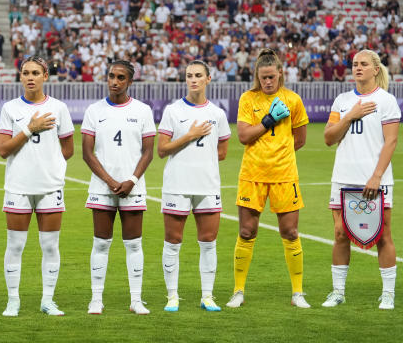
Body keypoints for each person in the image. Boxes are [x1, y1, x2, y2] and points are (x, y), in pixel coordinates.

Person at [230, 49, 309, 308]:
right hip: (252, 175)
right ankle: (238, 290)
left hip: (284, 176)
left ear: (280, 74)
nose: (267, 82)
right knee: (246, 231)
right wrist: (268, 121)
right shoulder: (247, 99)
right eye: (263, 77)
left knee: (290, 232)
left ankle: (298, 292)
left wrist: (279, 154)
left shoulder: (293, 100)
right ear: (257, 76)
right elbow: (243, 136)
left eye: (271, 77)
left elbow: (300, 139)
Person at [322, 50, 399, 309]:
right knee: (340, 233)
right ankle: (338, 292)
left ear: (376, 69)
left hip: (375, 179)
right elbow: (329, 138)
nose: (358, 68)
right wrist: (350, 115)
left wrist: (376, 176)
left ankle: (388, 293)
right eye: (355, 64)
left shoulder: (386, 101)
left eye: (363, 64)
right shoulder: (342, 100)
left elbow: (391, 141)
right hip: (343, 177)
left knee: (383, 235)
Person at [0, 56, 74, 316]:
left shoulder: (59, 108)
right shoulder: (10, 108)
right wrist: (30, 129)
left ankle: (48, 300)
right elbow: (3, 150)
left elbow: (68, 149)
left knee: (50, 246)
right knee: (15, 246)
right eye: (25, 72)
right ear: (20, 77)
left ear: (46, 76)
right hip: (18, 186)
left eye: (35, 73)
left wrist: (49, 167)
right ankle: (13, 300)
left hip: (49, 187)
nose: (30, 77)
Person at [80, 60, 156, 315]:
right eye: (111, 76)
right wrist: (111, 182)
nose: (114, 81)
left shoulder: (143, 110)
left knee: (134, 244)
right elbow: (87, 154)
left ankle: (136, 300)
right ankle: (96, 299)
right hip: (103, 188)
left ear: (130, 81)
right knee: (101, 243)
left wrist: (131, 180)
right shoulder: (94, 110)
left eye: (120, 77)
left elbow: (148, 152)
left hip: (132, 187)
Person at [156, 61, 230, 313]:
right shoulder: (173, 111)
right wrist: (190, 135)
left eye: (198, 75)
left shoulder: (218, 114)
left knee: (209, 241)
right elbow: (162, 150)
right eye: (189, 76)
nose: (193, 80)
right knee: (173, 241)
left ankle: (207, 296)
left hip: (207, 185)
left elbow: (222, 152)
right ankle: (172, 296)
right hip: (177, 184)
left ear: (209, 79)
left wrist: (201, 163)